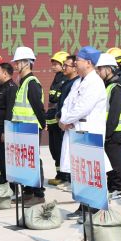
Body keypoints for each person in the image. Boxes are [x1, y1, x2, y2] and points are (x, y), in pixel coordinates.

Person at [59, 46, 108, 219]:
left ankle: (93, 209)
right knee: (80, 172)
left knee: (91, 172)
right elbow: (67, 103)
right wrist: (64, 119)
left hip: (88, 131)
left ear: (88, 63)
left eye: (78, 61)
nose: (75, 64)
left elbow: (83, 107)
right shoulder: (79, 81)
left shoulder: (94, 82)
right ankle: (83, 206)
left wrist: (66, 120)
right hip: (75, 130)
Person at [8, 46, 46, 205]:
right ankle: (28, 192)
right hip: (22, 129)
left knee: (33, 161)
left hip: (31, 128)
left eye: (18, 62)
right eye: (16, 62)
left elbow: (38, 107)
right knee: (24, 162)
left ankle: (39, 194)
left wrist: (43, 124)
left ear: (27, 63)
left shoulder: (32, 83)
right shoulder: (22, 82)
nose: (16, 65)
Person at [95, 53, 121, 199]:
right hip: (109, 131)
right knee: (109, 162)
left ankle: (119, 188)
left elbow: (114, 114)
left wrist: (107, 133)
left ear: (109, 69)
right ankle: (112, 187)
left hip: (116, 132)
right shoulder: (107, 86)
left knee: (116, 163)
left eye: (100, 69)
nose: (98, 72)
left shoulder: (117, 87)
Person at [54, 55, 79, 186]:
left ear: (75, 68)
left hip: (70, 124)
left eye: (66, 65)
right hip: (63, 121)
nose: (63, 68)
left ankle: (71, 180)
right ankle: (67, 179)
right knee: (64, 152)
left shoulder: (77, 83)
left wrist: (65, 119)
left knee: (72, 154)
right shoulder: (67, 83)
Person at [47, 51, 69, 186]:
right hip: (52, 120)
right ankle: (59, 174)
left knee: (61, 149)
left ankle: (65, 176)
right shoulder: (56, 79)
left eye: (56, 64)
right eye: (53, 64)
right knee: (54, 149)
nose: (53, 66)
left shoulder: (66, 80)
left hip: (59, 121)